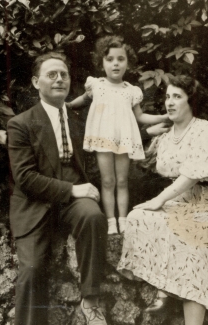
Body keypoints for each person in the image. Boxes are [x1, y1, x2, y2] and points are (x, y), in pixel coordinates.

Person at [117, 75, 208, 325]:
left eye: (177, 97)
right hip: (175, 203)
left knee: (192, 248)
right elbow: (137, 156)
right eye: (167, 97)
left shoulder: (206, 129)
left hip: (204, 204)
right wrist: (144, 133)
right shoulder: (165, 135)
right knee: (137, 217)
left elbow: (191, 176)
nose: (170, 102)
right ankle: (167, 286)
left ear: (190, 100)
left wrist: (159, 200)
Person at [7, 52, 108, 325]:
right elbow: (25, 178)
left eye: (64, 74)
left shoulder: (77, 118)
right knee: (30, 270)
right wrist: (75, 190)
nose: (60, 79)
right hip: (34, 204)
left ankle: (91, 300)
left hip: (74, 202)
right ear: (35, 82)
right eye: (52, 74)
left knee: (93, 217)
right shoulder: (21, 124)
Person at [67, 35, 169, 235]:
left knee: (122, 180)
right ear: (101, 62)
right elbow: (82, 99)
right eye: (110, 59)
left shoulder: (131, 91)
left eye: (120, 59)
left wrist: (163, 116)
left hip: (123, 140)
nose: (115, 64)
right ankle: (111, 220)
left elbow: (140, 116)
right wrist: (69, 105)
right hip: (103, 138)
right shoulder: (96, 85)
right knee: (107, 181)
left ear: (128, 63)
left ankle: (123, 219)